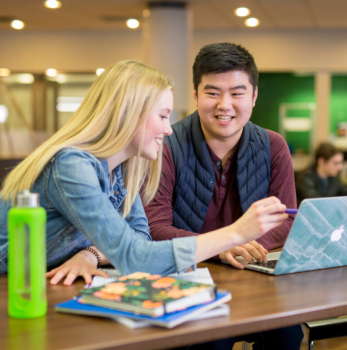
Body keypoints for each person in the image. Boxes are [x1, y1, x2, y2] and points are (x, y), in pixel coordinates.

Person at [0, 61, 288, 288]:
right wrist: (236, 233)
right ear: (128, 112)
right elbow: (133, 257)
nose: (168, 129)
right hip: (13, 288)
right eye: (163, 116)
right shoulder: (71, 166)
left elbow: (141, 237)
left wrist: (89, 254)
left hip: (45, 283)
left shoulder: (123, 168)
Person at [144, 43, 303, 350]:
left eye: (237, 93)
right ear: (195, 95)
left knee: (287, 335)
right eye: (213, 93)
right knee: (212, 341)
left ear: (254, 96)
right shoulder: (165, 145)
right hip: (188, 277)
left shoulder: (273, 146)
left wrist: (245, 248)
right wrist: (224, 246)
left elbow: (286, 219)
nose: (225, 105)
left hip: (253, 277)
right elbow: (154, 227)